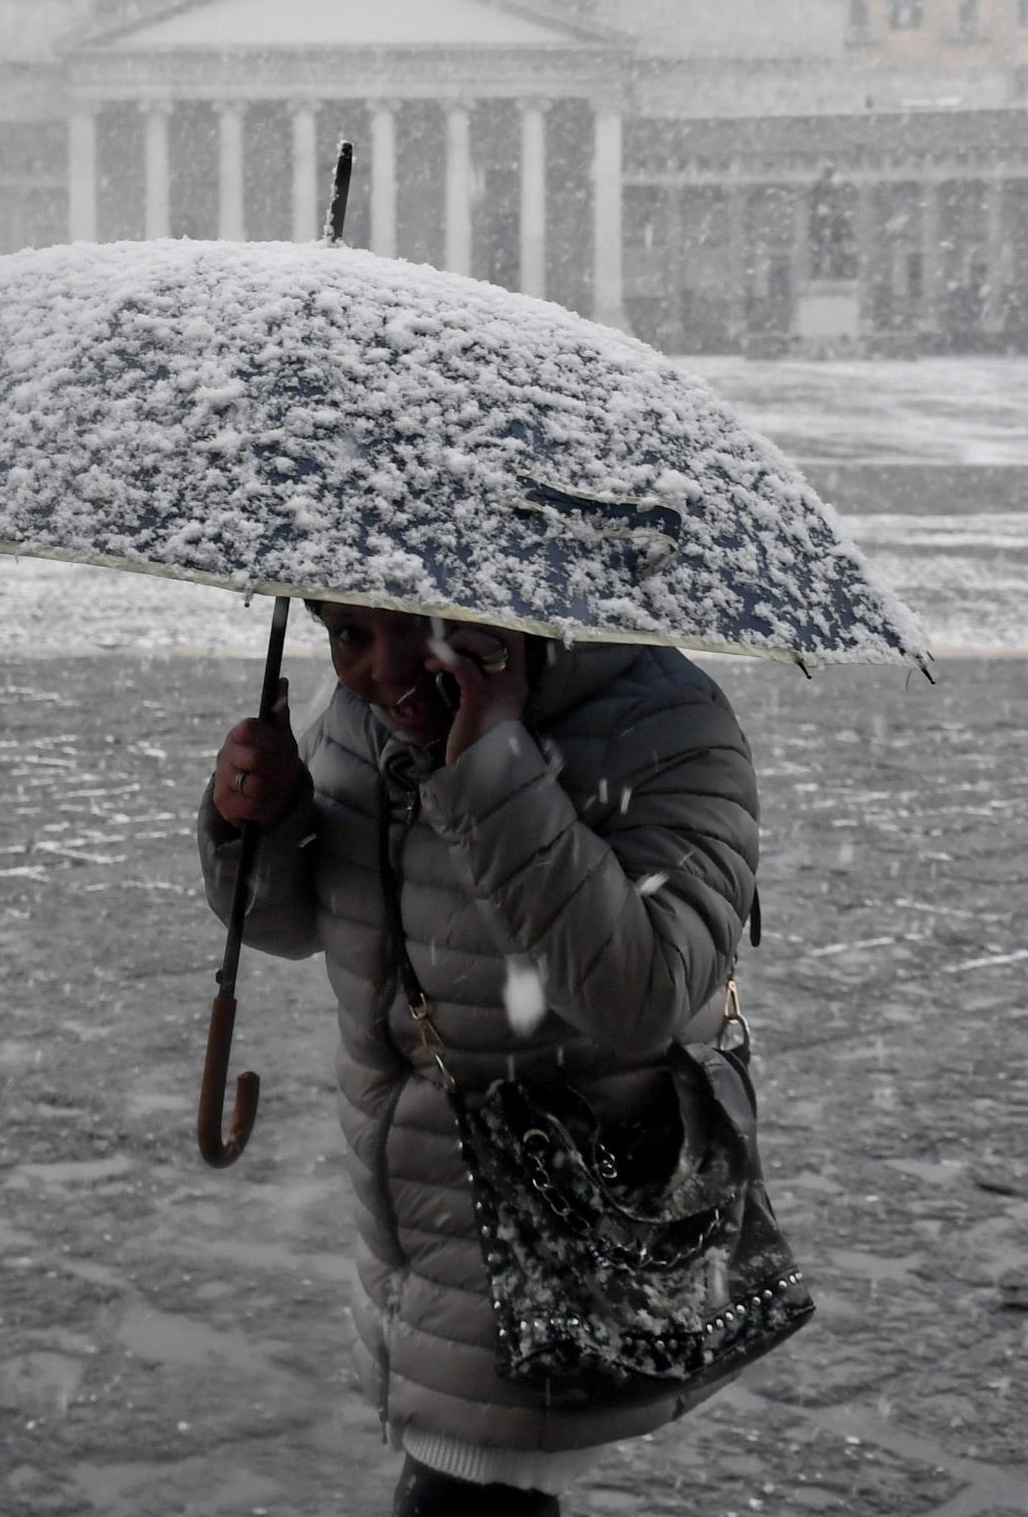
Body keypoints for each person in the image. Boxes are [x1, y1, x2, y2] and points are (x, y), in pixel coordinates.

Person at [202, 601, 761, 1516]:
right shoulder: (358, 721)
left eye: (410, 631)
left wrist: (494, 762)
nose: (380, 674)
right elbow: (299, 921)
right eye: (346, 635)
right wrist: (256, 819)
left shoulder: (665, 724)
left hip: (562, 1226)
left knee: (468, 1492)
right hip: (415, 1206)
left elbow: (644, 993)